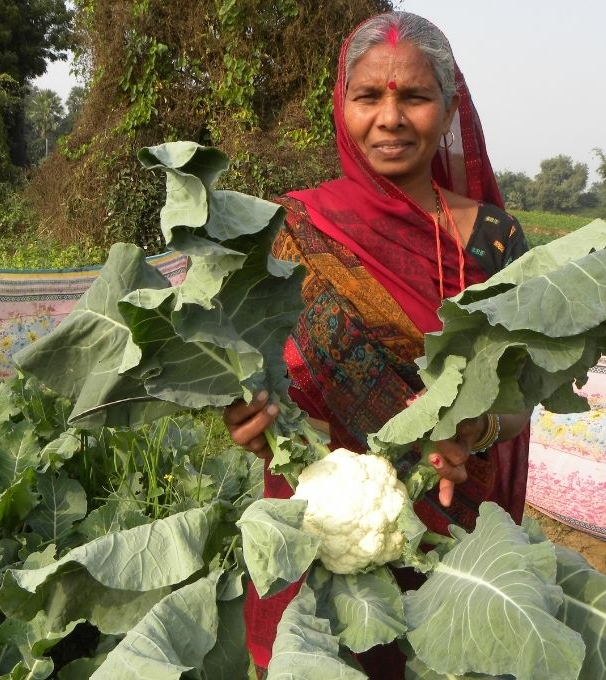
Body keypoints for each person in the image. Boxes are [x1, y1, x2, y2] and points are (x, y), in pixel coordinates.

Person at [222, 11, 531, 679]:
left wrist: (472, 428)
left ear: (449, 109)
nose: (390, 118)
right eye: (369, 96)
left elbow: (520, 398)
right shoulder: (293, 228)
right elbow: (261, 375)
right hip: (316, 544)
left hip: (451, 543)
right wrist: (250, 417)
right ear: (344, 107)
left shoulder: (494, 240)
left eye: (414, 96)